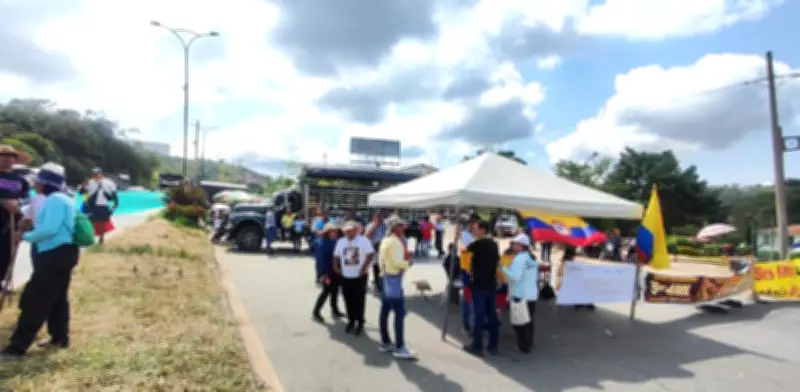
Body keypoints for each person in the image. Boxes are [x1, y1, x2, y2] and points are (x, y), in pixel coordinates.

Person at [1, 163, 80, 361]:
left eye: (37, 180)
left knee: (35, 300)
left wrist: (25, 236)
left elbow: (49, 229)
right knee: (57, 299)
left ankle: (16, 348)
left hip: (53, 255)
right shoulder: (64, 198)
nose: (34, 183)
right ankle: (59, 338)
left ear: (44, 183)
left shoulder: (54, 200)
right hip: (64, 254)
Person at [377, 217, 417, 359]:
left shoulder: (386, 239)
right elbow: (396, 262)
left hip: (385, 277)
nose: (403, 228)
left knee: (385, 311)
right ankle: (400, 347)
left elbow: (383, 260)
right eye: (401, 226)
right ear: (395, 228)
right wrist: (408, 263)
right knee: (399, 313)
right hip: (393, 278)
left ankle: (385, 342)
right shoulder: (395, 241)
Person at [463, 220, 500, 357]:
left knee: (478, 315)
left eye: (475, 228)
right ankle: (493, 345)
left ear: (483, 230)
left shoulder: (477, 244)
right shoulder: (494, 244)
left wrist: (457, 238)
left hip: (479, 285)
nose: (473, 230)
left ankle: (477, 345)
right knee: (491, 315)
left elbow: (464, 254)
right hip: (490, 284)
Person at [333, 221, 375, 335]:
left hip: (359, 276)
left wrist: (364, 267)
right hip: (345, 276)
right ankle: (351, 320)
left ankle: (360, 322)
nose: (348, 232)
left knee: (359, 300)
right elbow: (336, 255)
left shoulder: (363, 241)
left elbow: (370, 254)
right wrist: (336, 266)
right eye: (346, 231)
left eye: (350, 230)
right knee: (347, 299)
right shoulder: (341, 242)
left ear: (356, 230)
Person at [0, 145, 30, 293]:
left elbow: (27, 200)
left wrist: (18, 205)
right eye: (4, 156)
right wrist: (2, 202)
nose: (8, 159)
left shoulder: (21, 180)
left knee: (7, 251)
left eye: (11, 156)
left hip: (12, 220)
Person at [501, 234, 539, 354]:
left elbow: (515, 277)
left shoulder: (519, 259)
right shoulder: (531, 258)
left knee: (519, 322)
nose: (513, 245)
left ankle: (523, 345)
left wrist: (503, 269)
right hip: (532, 294)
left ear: (521, 246)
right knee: (529, 320)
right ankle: (529, 342)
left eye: (515, 244)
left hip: (520, 294)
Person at [312, 223, 345, 323]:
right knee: (326, 292)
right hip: (328, 272)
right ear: (327, 232)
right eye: (332, 231)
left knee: (335, 291)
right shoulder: (323, 244)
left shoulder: (334, 241)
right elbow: (320, 260)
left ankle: (335, 310)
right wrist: (324, 274)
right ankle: (316, 312)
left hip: (335, 271)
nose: (335, 233)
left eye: (335, 231)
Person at [82, 167, 118, 245]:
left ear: (101, 174)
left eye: (97, 173)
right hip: (92, 205)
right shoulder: (90, 182)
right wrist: (85, 200)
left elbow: (114, 192)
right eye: (94, 174)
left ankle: (101, 239)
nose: (95, 175)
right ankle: (91, 238)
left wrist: (116, 203)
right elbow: (83, 192)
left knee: (102, 223)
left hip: (103, 205)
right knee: (91, 222)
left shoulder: (108, 182)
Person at [562, 247, 596, 311]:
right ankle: (584, 303)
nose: (574, 257)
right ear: (569, 255)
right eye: (573, 255)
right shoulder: (565, 263)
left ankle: (585, 302)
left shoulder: (569, 262)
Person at [364, 213, 387, 294]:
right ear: (374, 218)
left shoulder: (385, 225)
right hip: (373, 249)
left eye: (381, 217)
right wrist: (375, 226)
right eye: (378, 217)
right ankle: (376, 284)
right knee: (374, 267)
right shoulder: (370, 225)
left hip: (383, 249)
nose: (380, 219)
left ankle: (379, 284)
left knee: (381, 267)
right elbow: (367, 236)